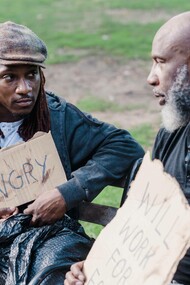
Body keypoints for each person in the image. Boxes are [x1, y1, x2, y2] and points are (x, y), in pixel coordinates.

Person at [0, 21, 144, 284]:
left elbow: (124, 146)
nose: (25, 88)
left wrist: (67, 193)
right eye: (10, 77)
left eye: (31, 74)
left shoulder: (56, 115)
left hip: (48, 239)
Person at [64, 11, 190, 285]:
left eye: (161, 62)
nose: (151, 78)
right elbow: (141, 221)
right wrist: (99, 265)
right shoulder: (172, 133)